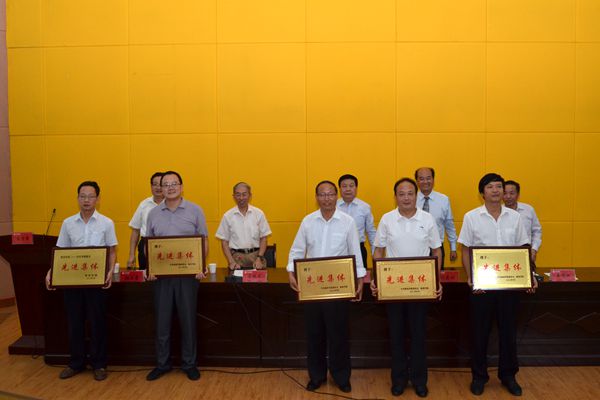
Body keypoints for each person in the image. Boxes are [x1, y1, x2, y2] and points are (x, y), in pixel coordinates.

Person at [458, 173, 537, 397]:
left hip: (509, 286)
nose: (495, 190)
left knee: (508, 333)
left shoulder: (515, 217)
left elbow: (523, 247)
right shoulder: (471, 217)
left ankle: (508, 375)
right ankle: (479, 377)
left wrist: (529, 276)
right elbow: (466, 250)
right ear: (482, 193)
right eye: (490, 187)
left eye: (499, 187)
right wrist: (471, 278)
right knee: (479, 332)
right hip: (482, 286)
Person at [287, 181, 366, 394]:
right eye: (322, 195)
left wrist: (360, 279)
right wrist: (291, 272)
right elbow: (297, 250)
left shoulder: (347, 222)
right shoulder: (308, 221)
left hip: (338, 287)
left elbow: (355, 252)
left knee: (339, 334)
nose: (326, 198)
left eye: (330, 194)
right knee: (314, 334)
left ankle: (341, 376)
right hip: (312, 288)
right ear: (317, 197)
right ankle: (317, 376)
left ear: (336, 196)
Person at [370, 178, 442, 398]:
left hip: (420, 288)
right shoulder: (387, 219)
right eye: (401, 194)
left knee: (419, 336)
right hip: (393, 290)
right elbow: (378, 251)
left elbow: (436, 251)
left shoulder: (427, 219)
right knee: (397, 336)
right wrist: (376, 278)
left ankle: (420, 381)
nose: (406, 198)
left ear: (416, 196)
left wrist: (437, 280)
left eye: (410, 193)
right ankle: (399, 380)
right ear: (396, 197)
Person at [45, 181, 117, 381]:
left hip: (96, 282)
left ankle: (99, 364)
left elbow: (112, 251)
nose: (86, 200)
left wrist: (110, 272)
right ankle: (75, 363)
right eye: (82, 196)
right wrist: (50, 272)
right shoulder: (68, 223)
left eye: (91, 196)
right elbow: (60, 252)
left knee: (97, 323)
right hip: (72, 282)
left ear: (98, 199)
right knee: (74, 323)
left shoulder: (106, 223)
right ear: (77, 198)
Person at [145, 171, 209, 382]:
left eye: (174, 183)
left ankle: (189, 364)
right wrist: (151, 268)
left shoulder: (195, 210)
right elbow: (148, 244)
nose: (170, 187)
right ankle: (162, 364)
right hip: (162, 278)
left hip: (188, 276)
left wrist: (200, 265)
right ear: (160, 189)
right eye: (166, 184)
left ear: (181, 187)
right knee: (162, 323)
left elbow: (204, 241)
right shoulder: (153, 213)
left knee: (187, 321)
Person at [215, 182, 272, 270]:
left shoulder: (259, 213)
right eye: (238, 195)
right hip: (237, 259)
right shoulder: (228, 216)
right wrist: (231, 261)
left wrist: (259, 257)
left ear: (250, 195)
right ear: (234, 196)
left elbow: (264, 238)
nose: (241, 198)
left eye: (244, 194)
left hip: (256, 257)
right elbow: (224, 242)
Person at [414, 167, 458, 269]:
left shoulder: (443, 199)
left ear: (433, 180)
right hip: (415, 246)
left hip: (437, 247)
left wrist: (453, 248)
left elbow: (449, 225)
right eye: (421, 179)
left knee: (436, 277)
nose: (425, 182)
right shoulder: (411, 199)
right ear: (417, 181)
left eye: (428, 178)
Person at [337, 174, 376, 269]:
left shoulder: (365, 207)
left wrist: (375, 253)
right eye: (344, 186)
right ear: (339, 189)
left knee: (360, 276)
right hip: (337, 249)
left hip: (359, 249)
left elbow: (371, 232)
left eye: (351, 186)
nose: (348, 189)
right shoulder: (333, 207)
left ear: (356, 188)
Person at [127, 172, 164, 269]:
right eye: (155, 184)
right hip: (145, 244)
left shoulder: (171, 204)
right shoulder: (144, 204)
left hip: (166, 245)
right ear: (151, 186)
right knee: (146, 275)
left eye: (161, 184)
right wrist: (131, 255)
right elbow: (135, 231)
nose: (158, 187)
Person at [503, 180, 542, 263]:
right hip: (504, 255)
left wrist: (534, 249)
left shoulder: (528, 210)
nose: (508, 196)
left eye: (512, 193)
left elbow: (537, 231)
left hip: (526, 254)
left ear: (518, 195)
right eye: (505, 193)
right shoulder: (497, 212)